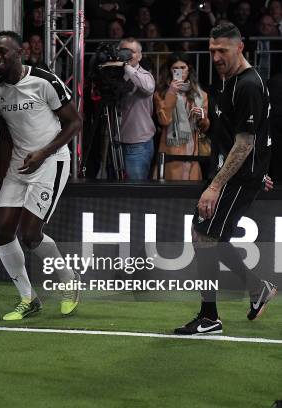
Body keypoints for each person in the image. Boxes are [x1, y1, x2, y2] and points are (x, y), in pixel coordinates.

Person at [174, 23, 277, 335]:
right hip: (244, 170)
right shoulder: (227, 81)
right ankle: (258, 288)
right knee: (208, 235)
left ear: (239, 47)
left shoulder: (248, 84)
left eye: (223, 50)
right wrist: (204, 123)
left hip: (238, 175)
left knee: (203, 235)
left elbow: (246, 143)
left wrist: (215, 186)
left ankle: (210, 316)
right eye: (212, 50)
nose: (216, 56)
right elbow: (234, 133)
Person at [0, 31, 82, 320]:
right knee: (3, 231)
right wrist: (2, 179)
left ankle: (69, 282)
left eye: (3, 51)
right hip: (19, 165)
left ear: (20, 53)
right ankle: (28, 299)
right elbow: (5, 138)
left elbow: (75, 123)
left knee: (30, 234)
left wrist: (42, 152)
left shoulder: (45, 81)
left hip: (51, 160)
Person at [154, 52, 210, 180]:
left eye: (183, 68)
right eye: (175, 69)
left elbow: (205, 127)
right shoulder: (161, 93)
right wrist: (171, 92)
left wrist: (202, 117)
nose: (179, 71)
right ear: (170, 70)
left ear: (189, 69)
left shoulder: (201, 95)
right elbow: (164, 120)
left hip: (192, 145)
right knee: (172, 188)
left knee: (190, 188)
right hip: (171, 148)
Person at [117, 37, 156, 180]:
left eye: (131, 52)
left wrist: (126, 66)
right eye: (123, 51)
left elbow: (148, 88)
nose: (127, 55)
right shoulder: (115, 76)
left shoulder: (146, 75)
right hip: (116, 140)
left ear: (139, 56)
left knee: (134, 191)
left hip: (138, 143)